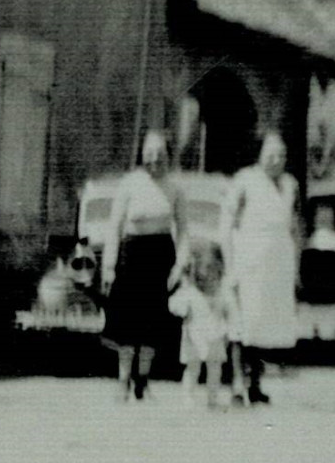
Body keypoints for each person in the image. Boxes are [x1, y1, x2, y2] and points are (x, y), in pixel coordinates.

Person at [101, 129, 181, 402]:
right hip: (131, 256)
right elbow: (114, 225)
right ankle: (123, 382)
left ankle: (143, 383)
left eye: (160, 153)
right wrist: (109, 265)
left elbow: (184, 230)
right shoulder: (129, 184)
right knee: (127, 321)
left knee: (153, 322)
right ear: (142, 154)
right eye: (150, 153)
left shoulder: (175, 186)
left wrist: (181, 264)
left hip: (160, 257)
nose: (155, 159)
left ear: (167, 156)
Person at [221, 131, 301, 404]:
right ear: (260, 154)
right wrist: (230, 263)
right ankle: (237, 384)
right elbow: (227, 222)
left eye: (281, 155)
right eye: (271, 154)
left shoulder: (290, 184)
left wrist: (296, 267)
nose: (276, 160)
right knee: (242, 323)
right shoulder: (245, 180)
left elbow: (294, 227)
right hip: (248, 262)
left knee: (264, 325)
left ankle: (255, 383)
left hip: (277, 266)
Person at [168, 242, 238, 409]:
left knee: (215, 369)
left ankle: (212, 399)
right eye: (204, 270)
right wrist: (183, 306)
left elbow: (232, 311)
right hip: (194, 336)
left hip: (216, 335)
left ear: (220, 270)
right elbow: (174, 306)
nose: (208, 276)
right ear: (196, 271)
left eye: (213, 270)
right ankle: (188, 397)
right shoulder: (190, 291)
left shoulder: (223, 292)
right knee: (192, 369)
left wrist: (232, 328)